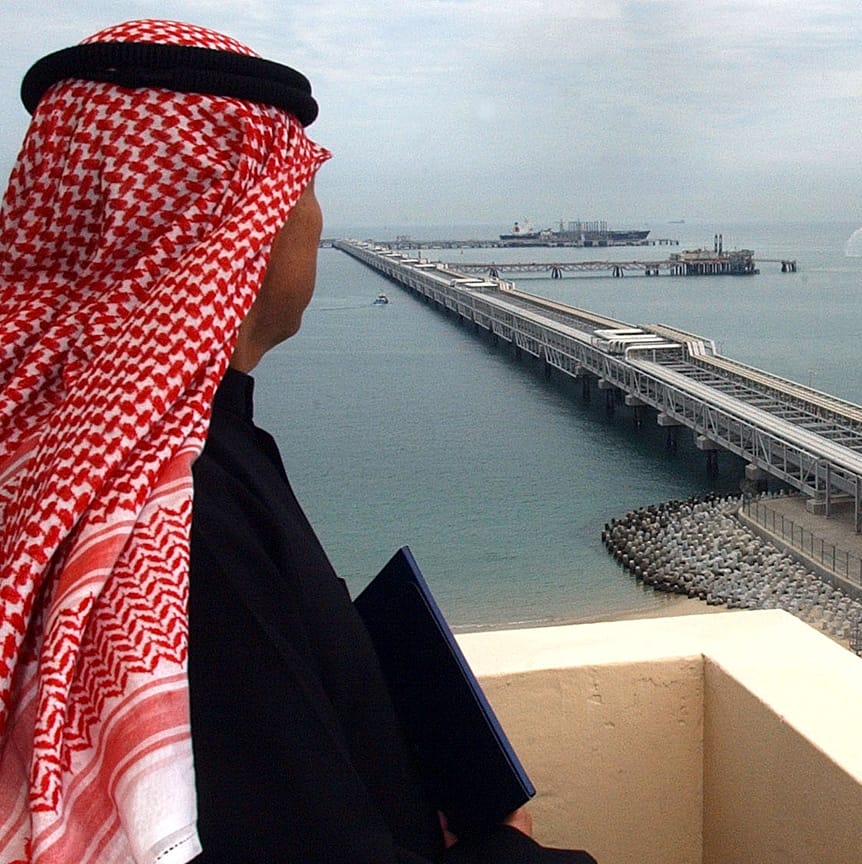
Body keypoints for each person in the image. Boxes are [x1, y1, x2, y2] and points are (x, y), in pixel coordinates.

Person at [0, 20, 593, 864]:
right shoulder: (173, 516)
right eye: (303, 189)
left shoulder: (93, 449)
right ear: (240, 224)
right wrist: (507, 851)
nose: (318, 222)